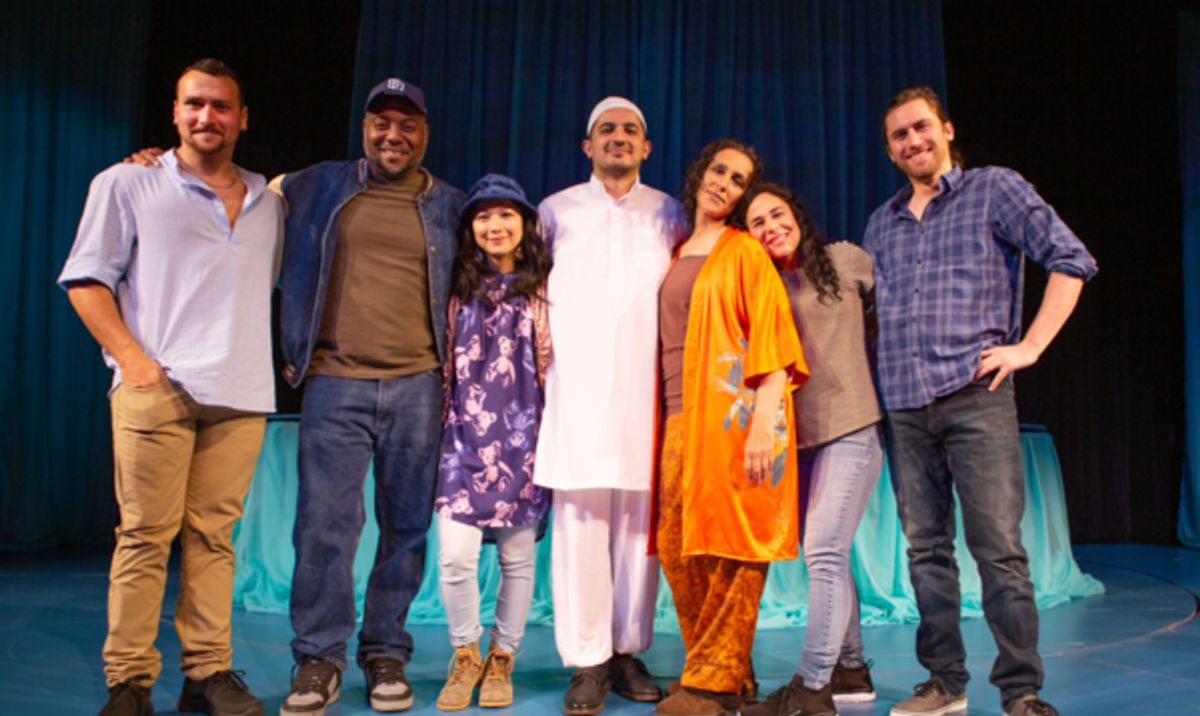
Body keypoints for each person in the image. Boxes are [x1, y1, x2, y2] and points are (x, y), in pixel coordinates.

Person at [863, 86, 1098, 716]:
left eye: (920, 128)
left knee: (998, 546)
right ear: (890, 151)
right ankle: (945, 683)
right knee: (926, 551)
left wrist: (1029, 347)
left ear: (946, 129)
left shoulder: (994, 189)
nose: (912, 142)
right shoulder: (881, 222)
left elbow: (1071, 260)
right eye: (899, 136)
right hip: (907, 408)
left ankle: (1020, 691)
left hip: (976, 398)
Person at [58, 58, 282, 716]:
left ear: (243, 118)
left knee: (214, 540)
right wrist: (132, 358)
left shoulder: (272, 199)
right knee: (145, 537)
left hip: (239, 393)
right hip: (158, 388)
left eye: (219, 106)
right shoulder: (128, 182)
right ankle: (128, 681)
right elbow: (86, 280)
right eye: (194, 105)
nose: (205, 117)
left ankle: (206, 675)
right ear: (176, 112)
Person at [273, 78, 465, 716]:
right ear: (364, 128)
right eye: (382, 122)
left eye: (407, 125)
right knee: (325, 526)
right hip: (335, 382)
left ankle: (386, 649)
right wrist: (151, 160)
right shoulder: (318, 186)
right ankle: (318, 658)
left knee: (406, 529)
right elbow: (243, 190)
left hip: (419, 385)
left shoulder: (451, 207)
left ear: (424, 135)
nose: (394, 135)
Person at [535, 97, 688, 715]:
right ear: (587, 144)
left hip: (645, 396)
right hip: (574, 393)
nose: (618, 138)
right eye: (607, 130)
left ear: (646, 148)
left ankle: (627, 650)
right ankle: (587, 660)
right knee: (579, 530)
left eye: (630, 131)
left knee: (636, 532)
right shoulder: (554, 212)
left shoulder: (670, 214)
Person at [652, 141, 808, 716]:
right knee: (678, 546)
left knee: (736, 547)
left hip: (731, 420)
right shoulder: (675, 250)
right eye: (720, 170)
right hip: (674, 419)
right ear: (700, 174)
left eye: (739, 180)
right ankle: (722, 671)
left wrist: (765, 423)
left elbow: (772, 337)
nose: (725, 183)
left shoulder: (744, 251)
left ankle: (712, 685)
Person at [737, 183, 884, 716]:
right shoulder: (758, 284)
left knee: (823, 552)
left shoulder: (844, 260)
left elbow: (901, 301)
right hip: (796, 444)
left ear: (796, 215)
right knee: (829, 556)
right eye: (757, 221)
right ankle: (850, 667)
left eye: (778, 214)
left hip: (852, 429)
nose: (771, 226)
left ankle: (812, 688)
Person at [432, 174, 553, 711]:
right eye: (483, 215)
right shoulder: (452, 285)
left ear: (525, 224)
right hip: (461, 438)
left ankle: (503, 657)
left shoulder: (546, 286)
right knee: (454, 559)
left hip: (524, 439)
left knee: (517, 560)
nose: (495, 224)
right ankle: (465, 655)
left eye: (506, 214)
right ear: (470, 228)